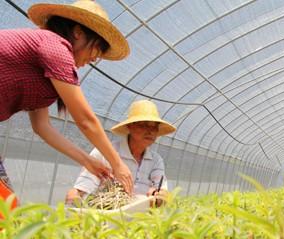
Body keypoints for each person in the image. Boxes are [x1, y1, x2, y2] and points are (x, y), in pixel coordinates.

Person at [0, 0, 134, 205]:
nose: (94, 58)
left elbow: (42, 126)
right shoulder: (55, 46)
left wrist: (88, 161)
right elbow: (85, 120)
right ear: (78, 32)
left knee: (7, 209)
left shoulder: (46, 64)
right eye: (97, 47)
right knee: (6, 212)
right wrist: (118, 164)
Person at [66, 100, 175, 207]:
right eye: (144, 125)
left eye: (154, 127)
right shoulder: (106, 152)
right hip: (107, 214)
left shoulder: (155, 160)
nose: (150, 131)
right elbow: (84, 186)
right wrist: (76, 194)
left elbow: (161, 189)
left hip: (141, 216)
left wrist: (160, 196)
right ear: (130, 126)